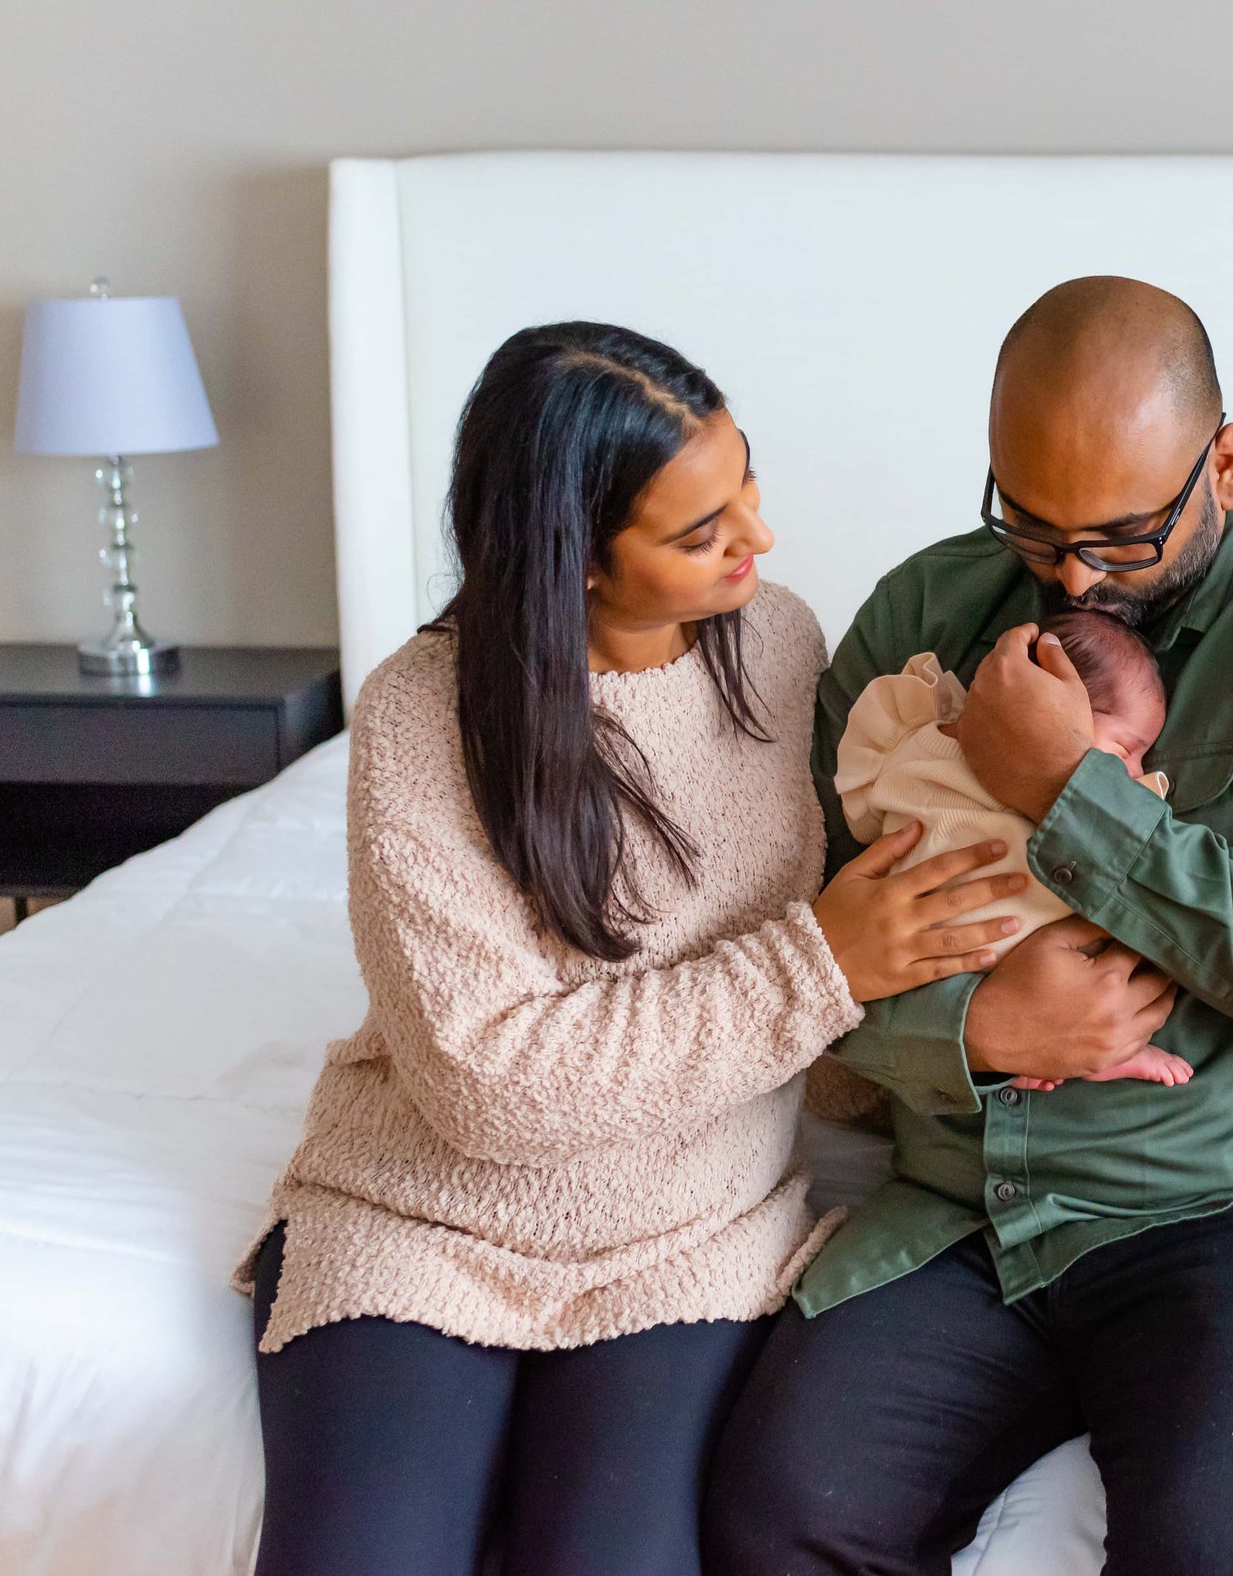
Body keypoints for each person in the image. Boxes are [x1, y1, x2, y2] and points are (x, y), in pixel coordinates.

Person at [706, 278, 1233, 1576]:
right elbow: (810, 949)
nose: (1068, 575)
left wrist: (1070, 794)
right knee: (773, 1518)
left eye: (1120, 536)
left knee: (1217, 1550)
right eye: (1035, 523)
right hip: (966, 1211)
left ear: (1223, 460)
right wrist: (974, 1025)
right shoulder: (923, 621)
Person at [238, 321, 1027, 1576]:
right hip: (425, 1223)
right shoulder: (417, 718)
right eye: (699, 530)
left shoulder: (780, 648)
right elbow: (488, 1085)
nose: (756, 542)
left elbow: (850, 953)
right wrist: (817, 967)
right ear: (578, 565)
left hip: (687, 1231)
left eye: (747, 487)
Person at [832, 607, 1189, 1089]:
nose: (1135, 771)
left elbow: (864, 814)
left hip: (923, 961)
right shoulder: (1057, 787)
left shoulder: (914, 738)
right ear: (1055, 710)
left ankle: (1019, 1054)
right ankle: (1044, 1052)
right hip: (949, 948)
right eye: (1127, 749)